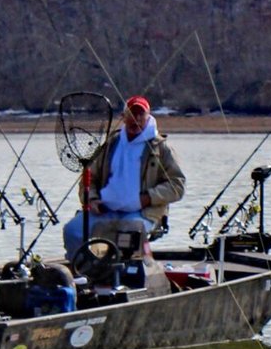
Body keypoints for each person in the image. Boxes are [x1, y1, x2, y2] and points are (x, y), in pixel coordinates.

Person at [63, 94, 186, 260]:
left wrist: (148, 198)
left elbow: (177, 186)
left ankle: (125, 275)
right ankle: (84, 272)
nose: (135, 119)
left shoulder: (162, 148)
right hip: (105, 210)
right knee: (72, 230)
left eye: (140, 114)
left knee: (129, 233)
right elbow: (89, 178)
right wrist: (92, 200)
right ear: (123, 117)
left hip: (142, 213)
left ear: (148, 117)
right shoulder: (110, 144)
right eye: (131, 114)